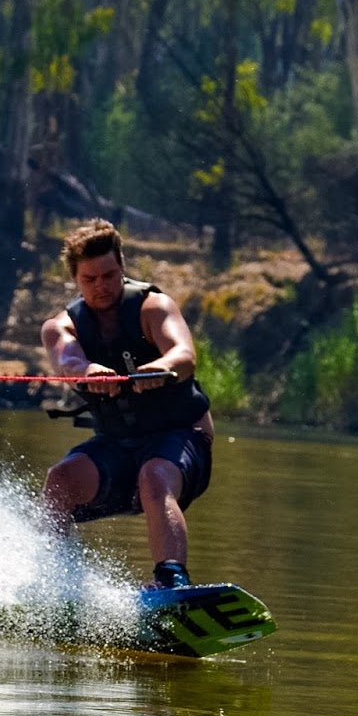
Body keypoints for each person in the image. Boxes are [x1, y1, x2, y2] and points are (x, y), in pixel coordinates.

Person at [40, 219, 214, 590]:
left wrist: (159, 369)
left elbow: (184, 354)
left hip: (181, 439)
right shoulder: (61, 327)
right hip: (119, 445)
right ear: (75, 279)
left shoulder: (154, 308)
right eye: (90, 279)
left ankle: (171, 583)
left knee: (154, 475)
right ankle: (58, 589)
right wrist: (88, 371)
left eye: (110, 274)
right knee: (59, 482)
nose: (101, 286)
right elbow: (67, 362)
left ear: (122, 266)